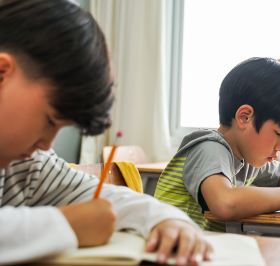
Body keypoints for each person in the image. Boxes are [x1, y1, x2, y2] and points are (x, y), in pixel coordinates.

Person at [0, 1, 211, 265]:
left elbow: (107, 200)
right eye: (49, 121)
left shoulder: (27, 165)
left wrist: (169, 220)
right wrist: (67, 225)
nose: (47, 145)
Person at [154, 57, 280, 231]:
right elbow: (226, 203)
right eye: (278, 134)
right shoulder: (208, 148)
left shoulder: (248, 158)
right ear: (245, 117)